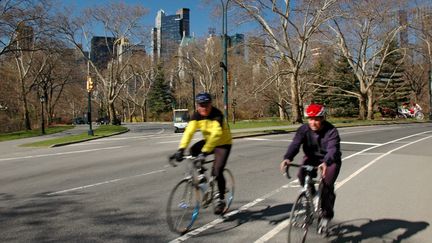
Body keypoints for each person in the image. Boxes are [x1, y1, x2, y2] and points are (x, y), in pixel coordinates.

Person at [280, 103, 342, 230]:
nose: (313, 122)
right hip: (312, 158)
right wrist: (287, 158)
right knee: (301, 175)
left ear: (323, 118)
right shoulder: (303, 129)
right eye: (310, 119)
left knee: (326, 186)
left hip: (330, 160)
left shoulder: (331, 131)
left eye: (316, 119)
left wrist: (326, 162)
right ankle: (311, 195)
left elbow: (332, 149)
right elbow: (295, 144)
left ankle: (326, 215)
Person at [172, 92, 232, 215]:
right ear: (197, 105)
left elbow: (215, 135)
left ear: (210, 104)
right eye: (201, 105)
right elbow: (189, 132)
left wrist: (204, 153)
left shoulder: (217, 115)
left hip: (222, 143)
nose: (204, 108)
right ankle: (202, 176)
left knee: (217, 170)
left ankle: (220, 199)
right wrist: (181, 149)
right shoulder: (196, 115)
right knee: (193, 151)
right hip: (209, 141)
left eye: (206, 105)